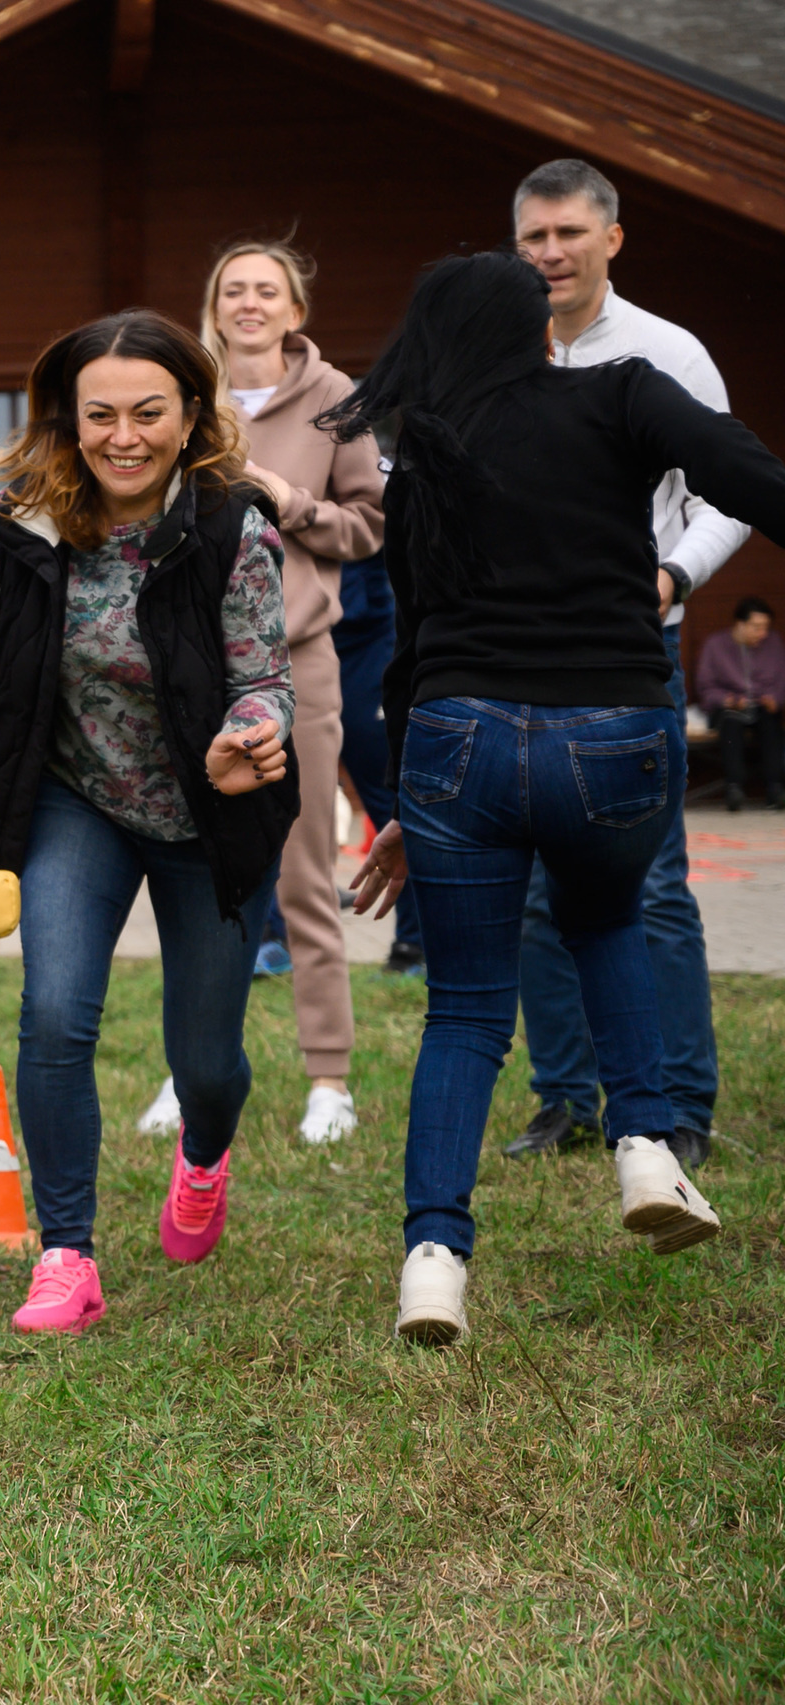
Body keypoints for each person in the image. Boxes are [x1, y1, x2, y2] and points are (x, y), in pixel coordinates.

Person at [336, 251, 785, 1345]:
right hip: (613, 735)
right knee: (605, 918)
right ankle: (642, 1145)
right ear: (539, 332)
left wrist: (410, 801)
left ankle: (432, 1264)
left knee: (466, 1010)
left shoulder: (421, 459)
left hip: (455, 741)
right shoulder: (621, 390)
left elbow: (408, 650)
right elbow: (753, 482)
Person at [0, 309, 297, 1337]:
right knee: (54, 1018)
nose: (123, 435)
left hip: (208, 817)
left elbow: (265, 681)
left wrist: (246, 735)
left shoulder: (230, 527)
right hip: (74, 800)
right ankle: (66, 1254)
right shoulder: (24, 518)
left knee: (205, 1061)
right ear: (66, 420)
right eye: (99, 415)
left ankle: (203, 1156)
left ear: (190, 416)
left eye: (148, 413)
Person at [506, 159, 746, 1166]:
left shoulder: (667, 354)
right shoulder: (495, 349)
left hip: (624, 642)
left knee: (648, 880)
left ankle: (680, 1105)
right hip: (511, 645)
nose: (550, 253)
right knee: (530, 886)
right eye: (532, 238)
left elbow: (727, 493)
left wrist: (670, 578)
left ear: (611, 237)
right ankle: (565, 1096)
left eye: (567, 234)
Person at [138, 242, 382, 1147]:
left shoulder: (337, 402)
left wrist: (293, 502)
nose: (248, 303)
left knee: (305, 873)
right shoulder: (182, 393)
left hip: (299, 662)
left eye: (266, 290)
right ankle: (187, 1068)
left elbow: (371, 527)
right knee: (196, 876)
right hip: (194, 668)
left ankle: (328, 1078)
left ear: (293, 310)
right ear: (215, 305)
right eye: (232, 289)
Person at [331, 550, 425, 973]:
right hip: (280, 626)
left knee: (388, 793)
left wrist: (297, 508)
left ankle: (414, 943)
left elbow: (372, 516)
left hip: (364, 628)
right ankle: (270, 934)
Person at [696, 595, 783, 811]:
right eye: (756, 627)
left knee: (771, 726)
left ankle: (775, 789)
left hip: (763, 707)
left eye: (765, 627)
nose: (762, 633)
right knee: (731, 725)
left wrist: (775, 699)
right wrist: (727, 700)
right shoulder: (715, 644)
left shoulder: (774, 642)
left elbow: (782, 680)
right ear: (740, 624)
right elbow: (705, 686)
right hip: (729, 707)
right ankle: (734, 788)